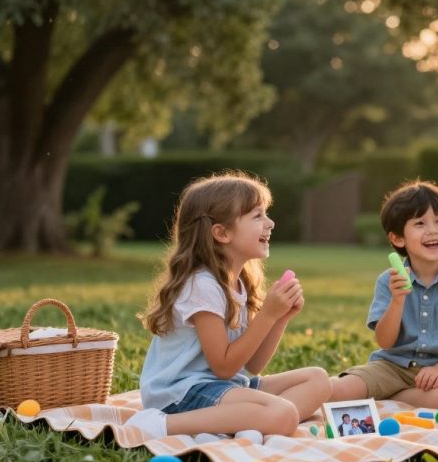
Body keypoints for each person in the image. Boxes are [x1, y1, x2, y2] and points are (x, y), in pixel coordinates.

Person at [126, 172, 332, 440]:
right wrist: (267, 315)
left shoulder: (238, 284)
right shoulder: (202, 285)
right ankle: (160, 426)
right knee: (284, 414)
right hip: (181, 393)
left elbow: (252, 365)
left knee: (318, 380)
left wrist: (280, 318)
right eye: (257, 216)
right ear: (222, 233)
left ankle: (237, 425)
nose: (270, 223)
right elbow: (223, 366)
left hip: (223, 386)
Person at [330, 180, 438, 408]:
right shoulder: (388, 281)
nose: (433, 230)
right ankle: (403, 397)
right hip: (392, 366)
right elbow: (385, 342)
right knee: (339, 390)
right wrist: (397, 301)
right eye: (420, 223)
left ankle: (389, 399)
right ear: (398, 238)